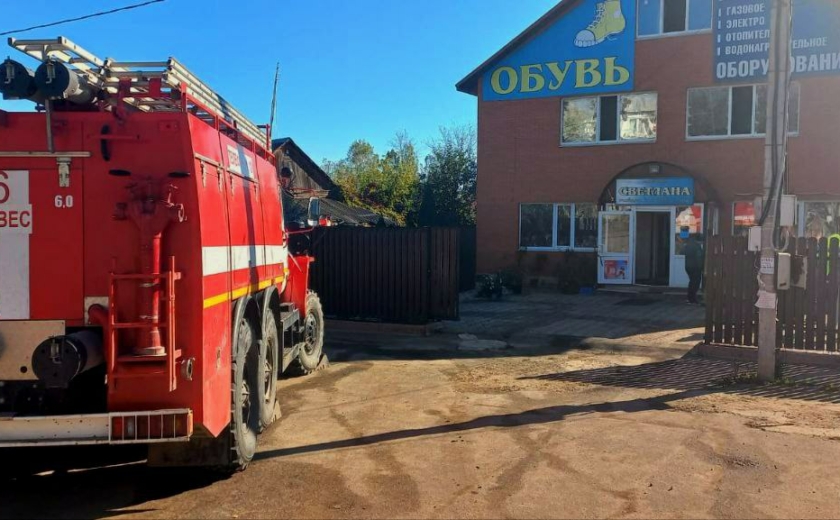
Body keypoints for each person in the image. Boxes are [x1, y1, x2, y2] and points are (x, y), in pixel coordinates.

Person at [683, 230, 704, 304]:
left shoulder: (688, 244)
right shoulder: (697, 247)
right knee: (695, 283)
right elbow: (699, 258)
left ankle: (690, 298)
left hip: (688, 266)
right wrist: (701, 268)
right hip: (695, 267)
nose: (702, 243)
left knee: (692, 282)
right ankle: (692, 299)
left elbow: (682, 252)